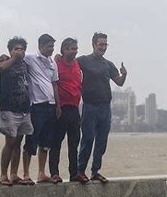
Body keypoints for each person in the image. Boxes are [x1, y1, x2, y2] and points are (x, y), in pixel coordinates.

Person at [75, 32, 128, 183]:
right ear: (93, 44)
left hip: (105, 108)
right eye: (100, 44)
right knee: (88, 139)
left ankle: (95, 171)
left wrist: (124, 74)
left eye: (105, 45)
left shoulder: (108, 64)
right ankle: (80, 170)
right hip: (90, 107)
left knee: (101, 142)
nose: (103, 47)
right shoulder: (84, 61)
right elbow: (68, 63)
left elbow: (119, 82)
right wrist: (59, 57)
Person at [22, 34, 61, 185]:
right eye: (49, 46)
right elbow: (17, 56)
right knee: (31, 140)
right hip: (37, 106)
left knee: (46, 143)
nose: (51, 49)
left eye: (52, 46)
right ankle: (25, 174)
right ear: (41, 46)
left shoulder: (53, 63)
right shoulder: (31, 58)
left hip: (51, 106)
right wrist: (6, 57)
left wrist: (58, 105)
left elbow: (55, 84)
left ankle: (41, 173)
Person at [0, 37, 34, 186]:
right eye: (16, 49)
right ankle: (3, 175)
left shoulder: (26, 65)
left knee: (18, 142)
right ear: (10, 51)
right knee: (10, 142)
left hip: (24, 109)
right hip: (9, 108)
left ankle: (14, 174)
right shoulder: (4, 62)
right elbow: (1, 69)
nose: (20, 51)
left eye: (22, 49)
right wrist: (13, 58)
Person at [49, 38, 82, 183]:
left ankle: (74, 173)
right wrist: (56, 105)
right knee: (56, 141)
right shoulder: (56, 64)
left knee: (74, 142)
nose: (74, 51)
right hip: (60, 108)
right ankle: (54, 173)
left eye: (75, 49)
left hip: (74, 108)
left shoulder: (77, 63)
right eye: (71, 49)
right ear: (63, 50)